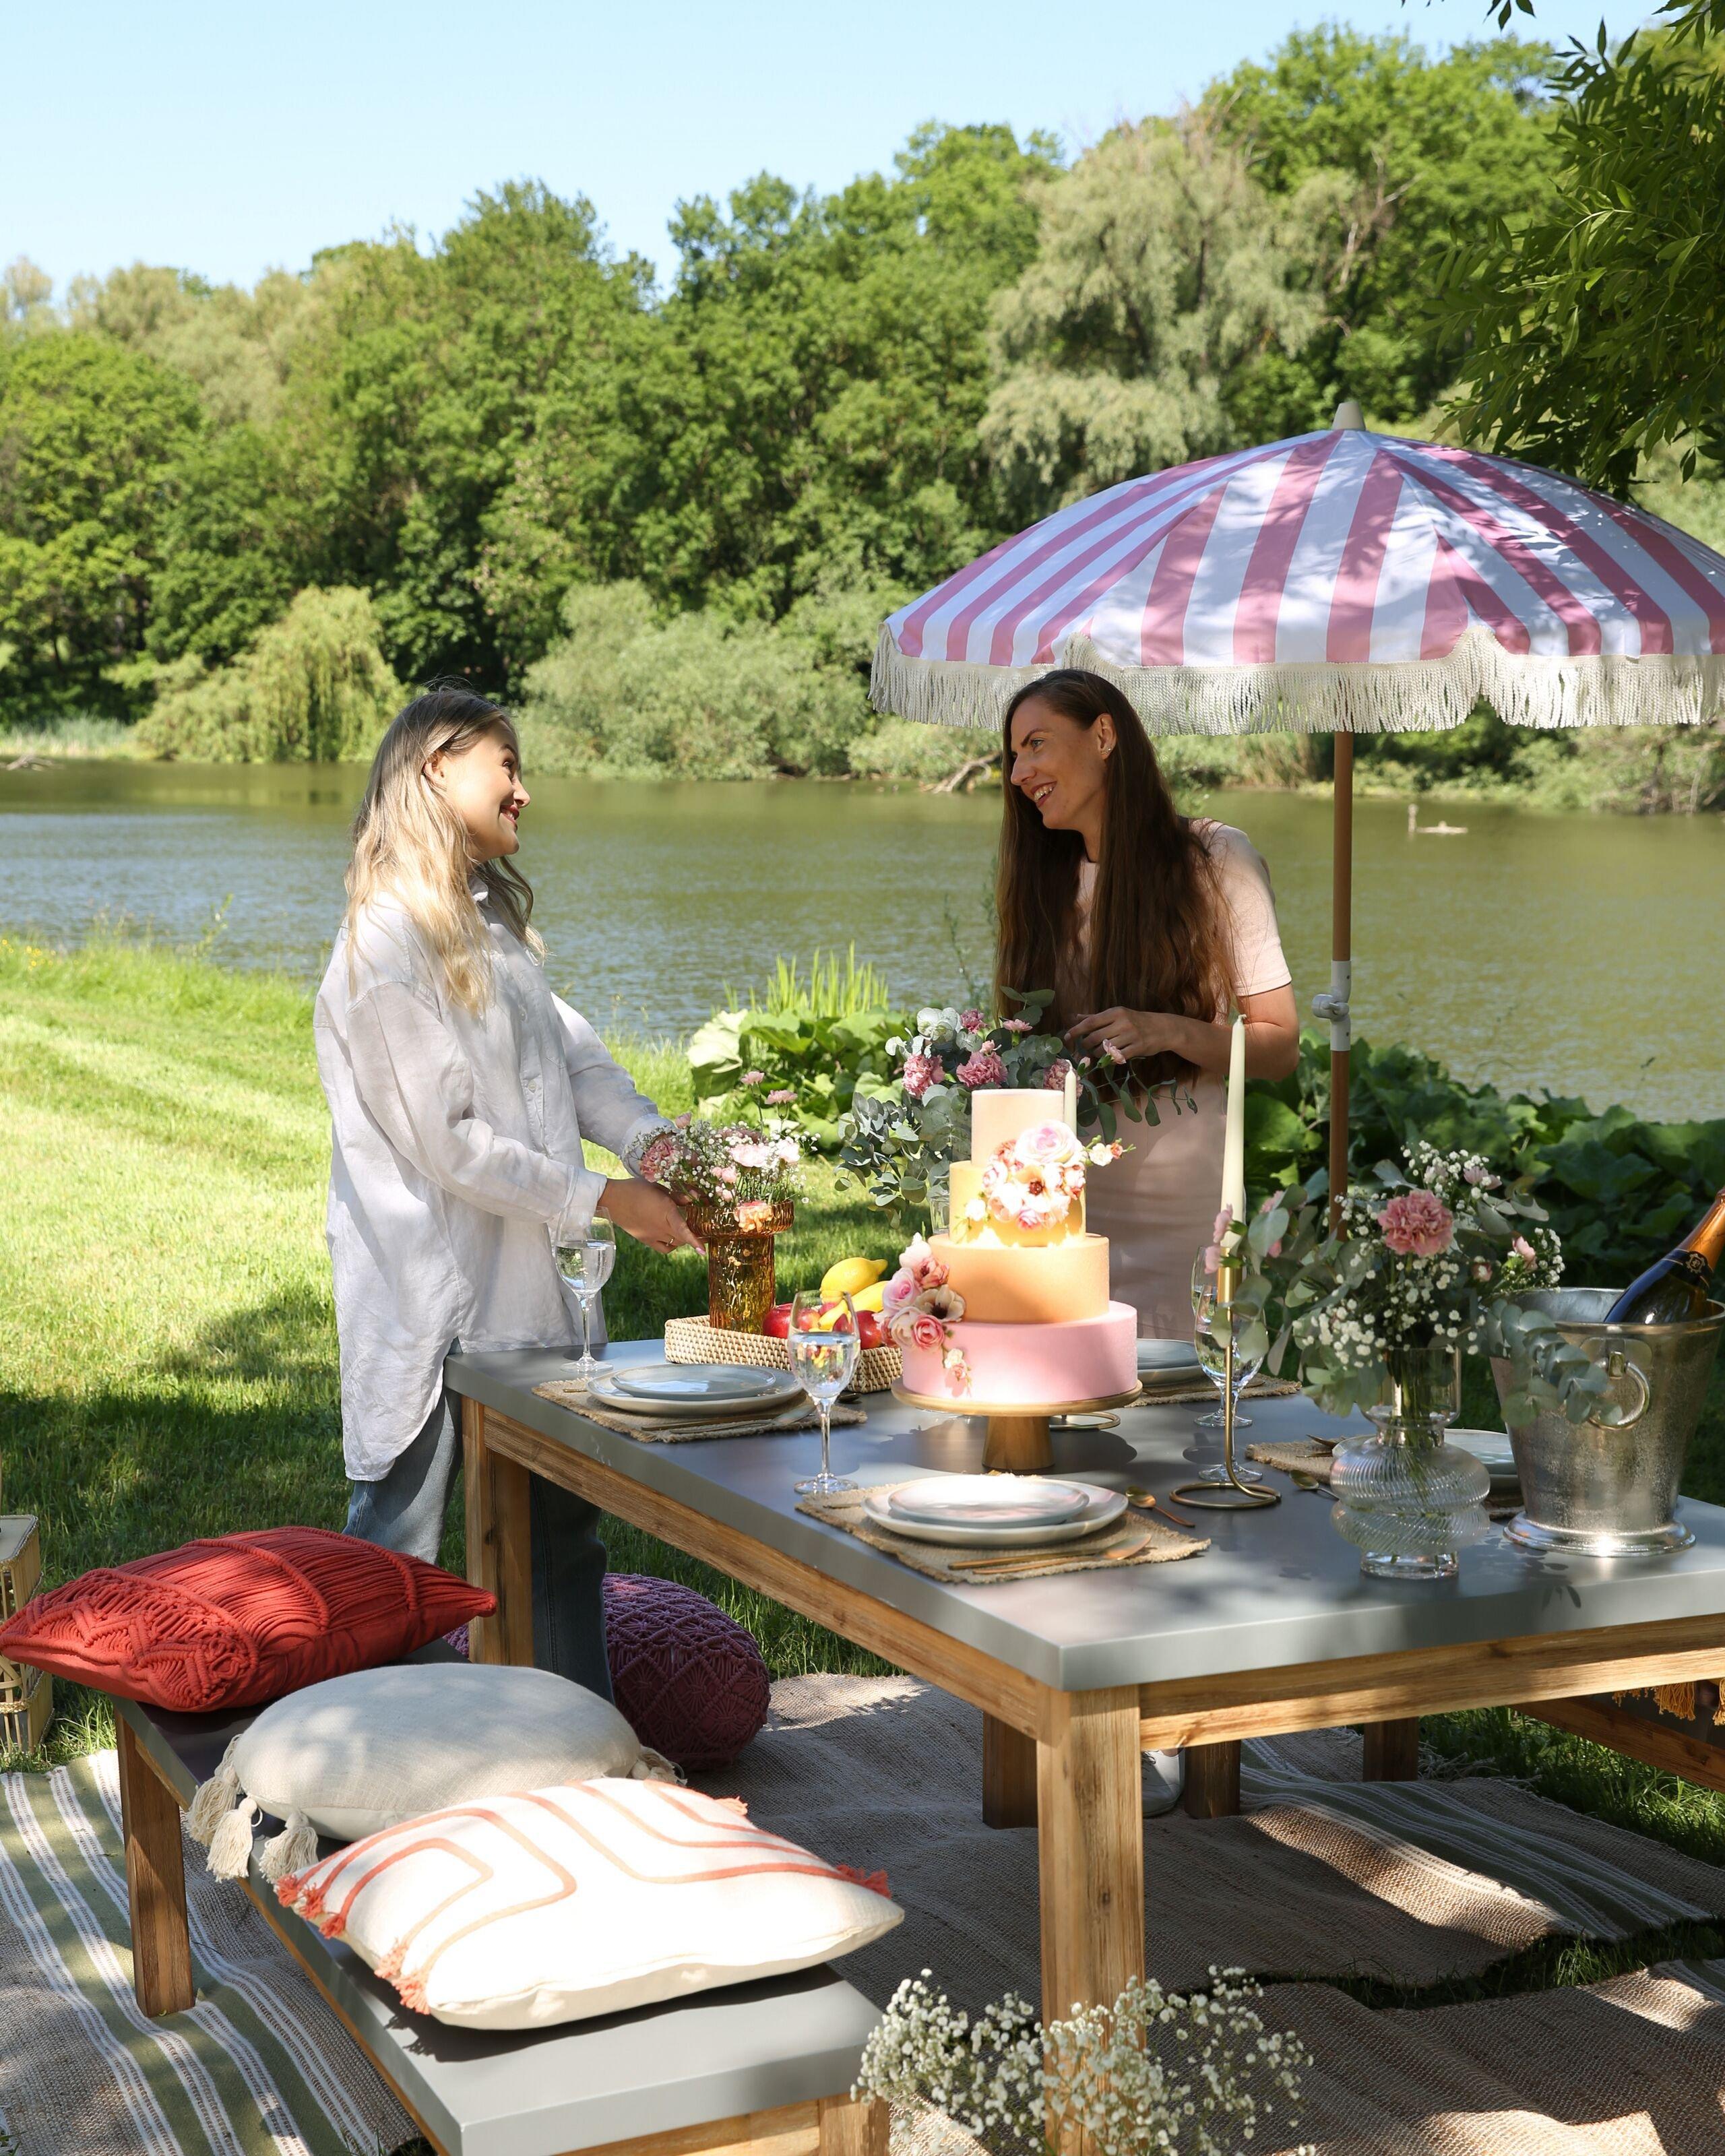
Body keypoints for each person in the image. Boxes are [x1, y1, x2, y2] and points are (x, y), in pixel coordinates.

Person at [313, 687, 697, 1696]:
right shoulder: (383, 945)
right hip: (434, 1302)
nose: (524, 791)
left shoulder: (491, 929)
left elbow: (577, 1067)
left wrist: (659, 1149)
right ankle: (361, 1763)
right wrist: (607, 1199)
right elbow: (452, 1148)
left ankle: (583, 1752)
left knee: (562, 1539)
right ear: (437, 768)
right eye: (507, 766)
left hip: (534, 1293)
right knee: (397, 1554)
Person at [997, 668, 1300, 1339]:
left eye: (1036, 744)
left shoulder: (1218, 860)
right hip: (1060, 1216)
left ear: (1104, 735)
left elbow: (1279, 1045)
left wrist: (1164, 1030)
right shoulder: (1042, 882)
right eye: (1013, 755)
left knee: (1185, 1397)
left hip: (1186, 1219)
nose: (1018, 773)